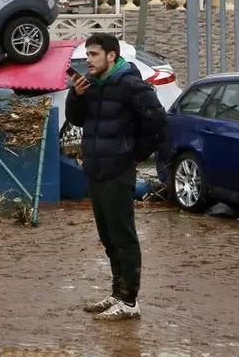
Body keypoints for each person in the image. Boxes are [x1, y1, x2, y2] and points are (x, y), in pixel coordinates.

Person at [65, 32, 167, 321]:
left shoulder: (132, 85)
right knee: (108, 236)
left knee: (123, 236)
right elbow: (76, 119)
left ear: (111, 56)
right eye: (87, 55)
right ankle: (117, 293)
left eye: (94, 55)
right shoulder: (92, 84)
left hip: (118, 170)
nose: (89, 61)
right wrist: (76, 95)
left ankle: (130, 302)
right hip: (96, 169)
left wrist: (134, 155)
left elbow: (158, 123)